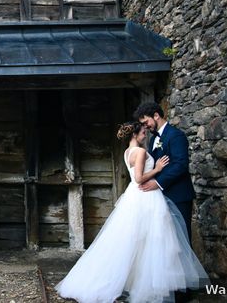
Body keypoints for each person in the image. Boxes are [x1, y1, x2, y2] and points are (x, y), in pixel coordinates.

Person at [55, 120, 207, 303]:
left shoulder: (128, 152)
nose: (145, 134)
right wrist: (158, 169)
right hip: (145, 196)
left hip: (134, 197)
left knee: (137, 239)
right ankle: (149, 284)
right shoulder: (141, 151)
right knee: (153, 239)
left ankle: (139, 282)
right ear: (135, 134)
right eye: (143, 132)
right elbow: (139, 178)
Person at [134, 101, 196, 243]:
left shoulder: (176, 135)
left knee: (182, 240)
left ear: (156, 115)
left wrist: (158, 182)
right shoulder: (154, 138)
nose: (145, 126)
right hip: (160, 198)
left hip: (178, 195)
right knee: (168, 242)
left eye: (146, 122)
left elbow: (181, 164)